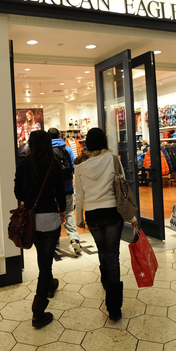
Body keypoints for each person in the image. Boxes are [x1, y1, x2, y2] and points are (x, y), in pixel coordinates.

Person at [74, 128, 138, 321]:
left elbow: (80, 194)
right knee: (113, 256)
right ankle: (114, 307)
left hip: (93, 214)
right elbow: (123, 187)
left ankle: (105, 281)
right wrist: (132, 218)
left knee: (103, 251)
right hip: (112, 212)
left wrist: (79, 217)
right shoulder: (113, 159)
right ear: (104, 142)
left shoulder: (80, 165)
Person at [14, 130, 66, 329]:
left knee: (43, 258)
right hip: (50, 218)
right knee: (46, 261)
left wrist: (28, 198)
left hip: (31, 219)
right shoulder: (54, 165)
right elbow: (61, 193)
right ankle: (38, 311)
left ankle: (50, 285)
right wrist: (62, 210)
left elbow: (18, 191)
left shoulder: (23, 164)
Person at [48, 128, 82, 254]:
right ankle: (74, 239)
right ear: (59, 136)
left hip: (52, 191)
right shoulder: (67, 148)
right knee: (69, 212)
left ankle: (55, 240)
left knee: (54, 214)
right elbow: (73, 167)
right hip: (67, 188)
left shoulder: (47, 151)